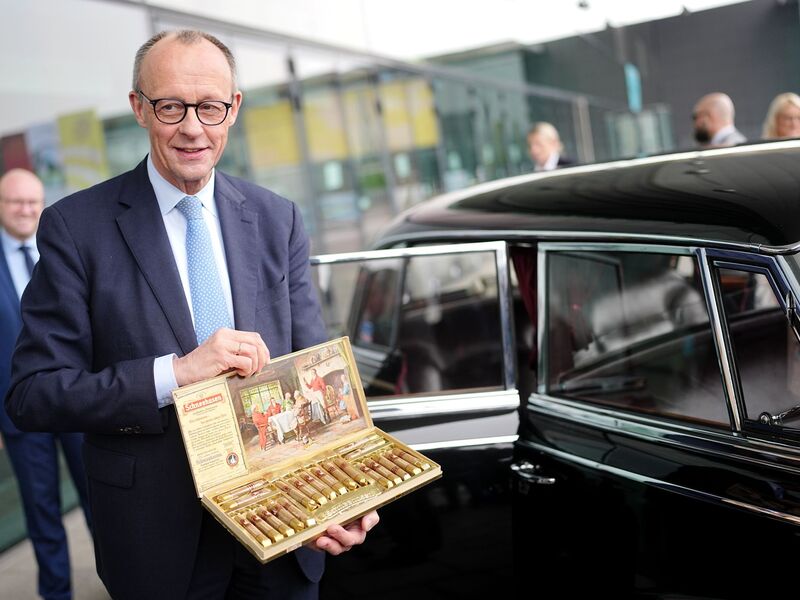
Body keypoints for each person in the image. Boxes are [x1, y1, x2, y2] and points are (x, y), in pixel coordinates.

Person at [5, 30, 377, 600]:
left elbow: (314, 379)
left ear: (234, 108)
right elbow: (33, 394)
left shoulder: (278, 219)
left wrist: (343, 492)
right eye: (171, 106)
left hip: (284, 533)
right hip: (156, 542)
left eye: (210, 107)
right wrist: (173, 375)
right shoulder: (76, 229)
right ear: (139, 108)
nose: (193, 128)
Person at [0, 168, 92, 600]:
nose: (25, 210)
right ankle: (56, 595)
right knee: (42, 514)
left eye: (32, 202)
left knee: (100, 500)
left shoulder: (62, 247)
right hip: (18, 411)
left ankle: (120, 580)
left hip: (75, 399)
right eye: (15, 202)